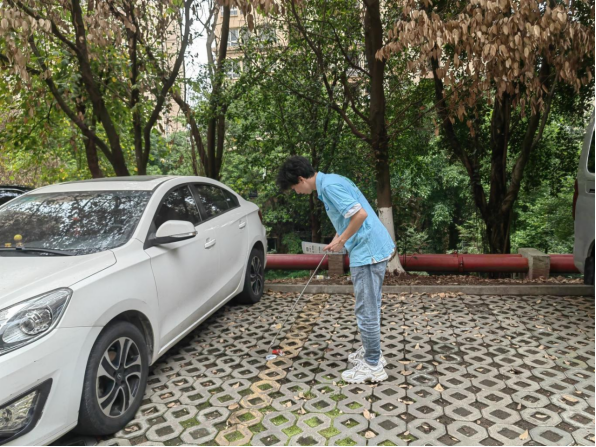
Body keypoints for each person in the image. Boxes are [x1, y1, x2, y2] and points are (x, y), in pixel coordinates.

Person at [277, 156, 395, 384]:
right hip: (369, 248)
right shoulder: (330, 181)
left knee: (366, 310)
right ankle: (372, 353)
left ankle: (373, 365)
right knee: (369, 307)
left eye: (294, 188)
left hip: (368, 252)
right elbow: (348, 216)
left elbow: (360, 215)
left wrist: (342, 240)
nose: (296, 192)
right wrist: (337, 237)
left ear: (301, 179)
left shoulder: (329, 187)